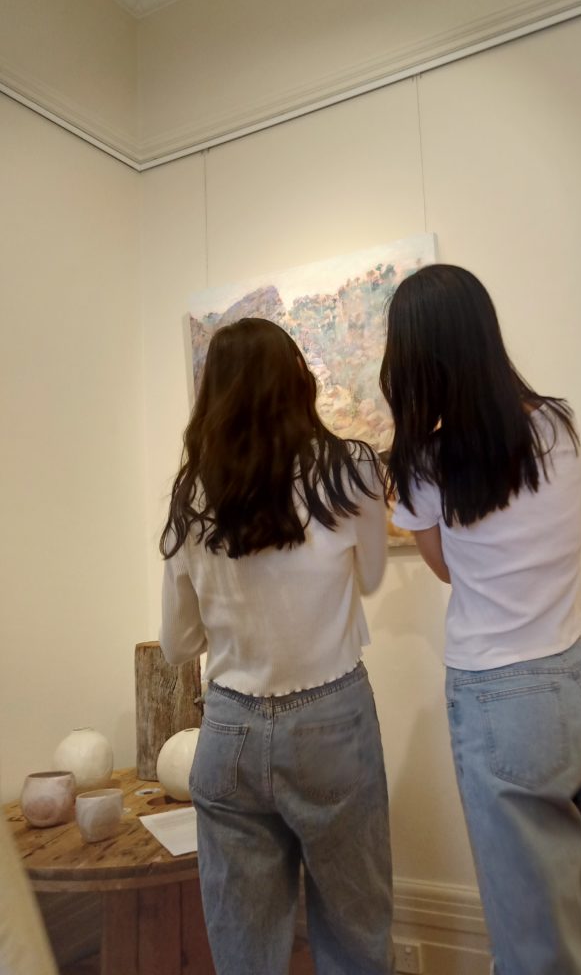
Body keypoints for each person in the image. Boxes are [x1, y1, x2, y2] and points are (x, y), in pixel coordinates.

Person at [380, 264, 581, 975]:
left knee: (538, 950)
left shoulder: (425, 463)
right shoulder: (559, 423)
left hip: (503, 701)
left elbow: (446, 569)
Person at [160, 317, 394, 975]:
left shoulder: (192, 494)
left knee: (245, 951)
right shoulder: (350, 468)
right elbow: (373, 576)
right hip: (330, 721)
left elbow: (178, 643)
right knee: (355, 934)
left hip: (229, 729)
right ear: (296, 380)